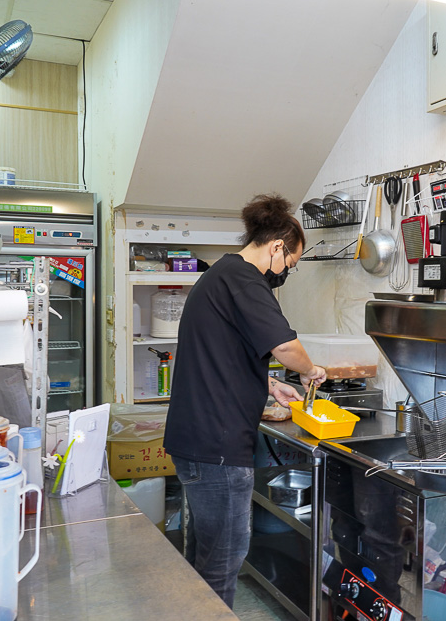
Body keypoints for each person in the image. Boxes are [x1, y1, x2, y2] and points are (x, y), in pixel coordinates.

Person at [163, 193, 327, 608]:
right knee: (223, 561)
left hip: (197, 441)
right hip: (217, 449)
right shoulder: (244, 280)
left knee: (207, 557)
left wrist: (270, 385)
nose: (285, 273)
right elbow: (286, 346)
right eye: (289, 264)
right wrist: (309, 371)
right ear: (277, 247)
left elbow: (223, 350)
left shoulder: (222, 275)